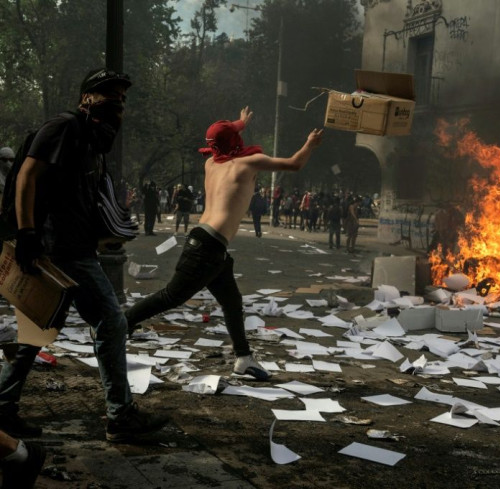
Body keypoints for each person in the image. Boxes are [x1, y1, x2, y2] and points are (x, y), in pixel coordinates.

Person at [0, 68, 169, 442]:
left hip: (73, 248)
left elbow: (80, 197)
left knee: (34, 333)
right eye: (110, 95)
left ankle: (2, 408)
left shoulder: (92, 144)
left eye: (123, 99)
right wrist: (27, 234)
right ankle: (120, 415)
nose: (118, 104)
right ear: (86, 98)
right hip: (59, 252)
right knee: (111, 321)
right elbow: (28, 175)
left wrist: (105, 234)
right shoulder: (64, 128)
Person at [125, 107, 323, 379]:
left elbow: (221, 142)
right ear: (235, 142)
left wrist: (240, 123)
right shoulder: (248, 163)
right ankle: (120, 324)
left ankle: (243, 358)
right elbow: (294, 164)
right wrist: (310, 144)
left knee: (232, 302)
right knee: (172, 296)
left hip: (209, 244)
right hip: (207, 248)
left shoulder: (210, 164)